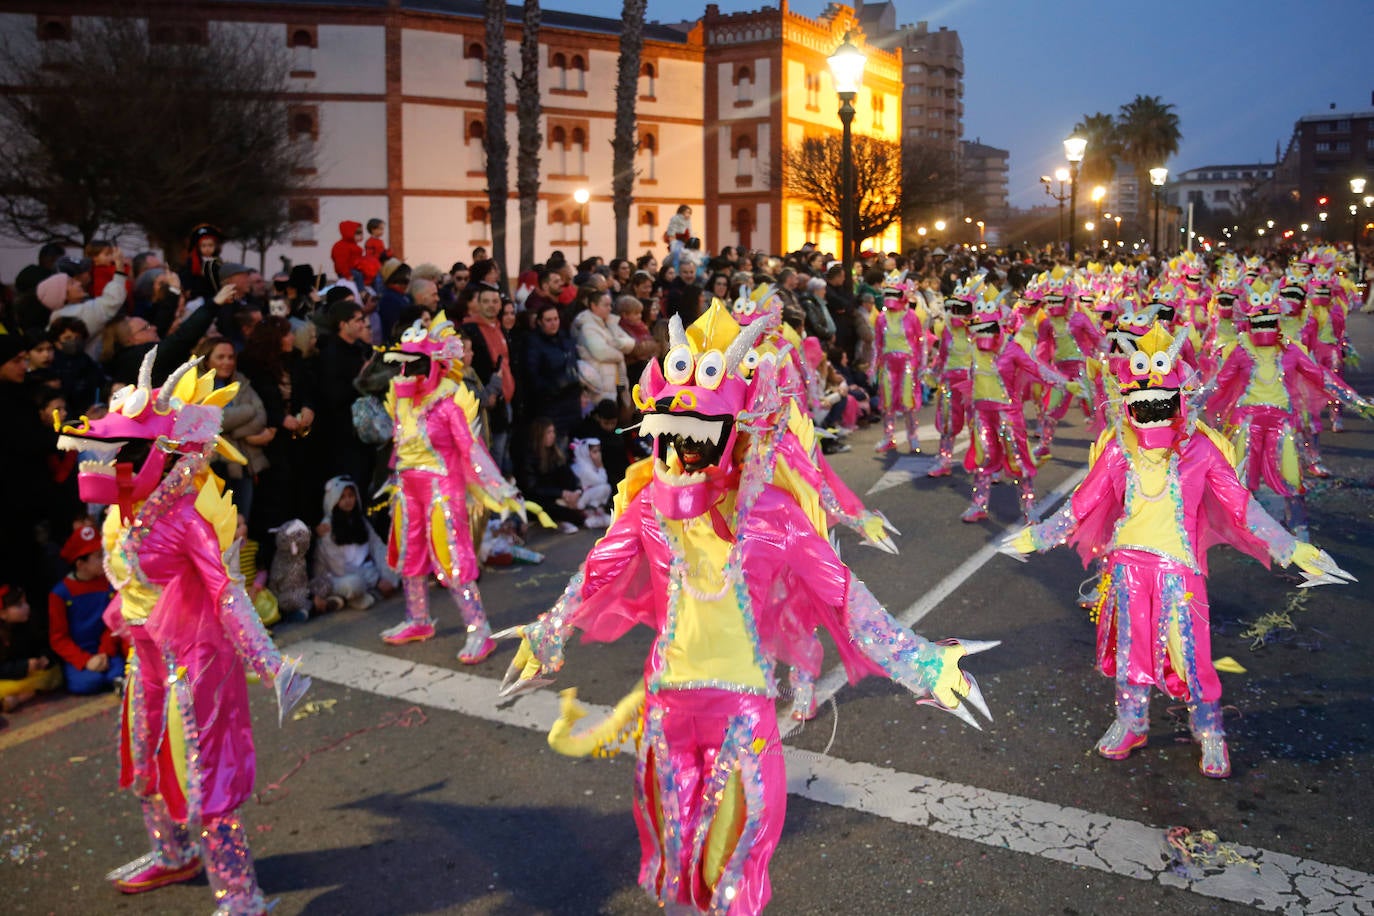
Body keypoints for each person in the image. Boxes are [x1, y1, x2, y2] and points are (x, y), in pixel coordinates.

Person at [499, 305, 993, 915]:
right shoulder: (649, 509)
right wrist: (548, 632)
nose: (678, 451)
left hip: (740, 716)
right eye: (669, 432)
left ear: (739, 430)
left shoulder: (773, 518)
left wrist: (925, 665)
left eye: (697, 432)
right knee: (677, 866)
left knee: (729, 870)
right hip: (666, 712)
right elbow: (595, 571)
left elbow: (849, 601)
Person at [1001, 320, 1356, 778]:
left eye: (1160, 397)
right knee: (1132, 651)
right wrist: (1038, 535)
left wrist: (1290, 547)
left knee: (1192, 653)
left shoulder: (1202, 450)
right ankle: (1132, 721)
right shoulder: (1117, 451)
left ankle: (1209, 729)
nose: (1149, 407)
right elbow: (1081, 504)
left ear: (1178, 399)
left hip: (1179, 570)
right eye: (1139, 397)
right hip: (1127, 567)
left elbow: (1243, 507)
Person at [57, 353, 309, 910]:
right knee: (146, 754)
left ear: (167, 453)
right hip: (143, 653)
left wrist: (272, 666)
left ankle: (240, 892)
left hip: (196, 662)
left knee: (205, 772)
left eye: (126, 448)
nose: (110, 458)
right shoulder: (123, 509)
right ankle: (173, 854)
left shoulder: (190, 516)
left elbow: (227, 592)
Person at [377, 313, 525, 663]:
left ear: (433, 366)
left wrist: (498, 487)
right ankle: (418, 619)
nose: (407, 372)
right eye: (404, 366)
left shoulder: (447, 407)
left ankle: (479, 631)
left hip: (442, 490)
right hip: (407, 489)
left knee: (453, 559)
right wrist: (393, 481)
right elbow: (399, 449)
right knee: (409, 554)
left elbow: (472, 449)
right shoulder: (402, 403)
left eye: (416, 365)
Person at [195, 338, 272, 515]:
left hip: (244, 466)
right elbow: (212, 420)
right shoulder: (196, 386)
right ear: (206, 360)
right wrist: (247, 412)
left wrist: (233, 431)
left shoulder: (241, 381)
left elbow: (261, 417)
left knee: (242, 525)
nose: (227, 362)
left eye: (231, 357)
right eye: (220, 357)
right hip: (213, 467)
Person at [47, 524, 122, 695]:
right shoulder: (60, 594)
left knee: (117, 673)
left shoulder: (110, 584)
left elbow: (114, 623)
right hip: (79, 654)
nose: (105, 559)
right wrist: (85, 660)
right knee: (87, 683)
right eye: (98, 556)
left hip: (105, 649)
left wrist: (104, 652)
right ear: (81, 564)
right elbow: (58, 638)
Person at [314, 476, 397, 610]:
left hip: (367, 573)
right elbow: (339, 568)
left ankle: (344, 600)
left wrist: (387, 576)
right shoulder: (327, 528)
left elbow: (379, 548)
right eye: (343, 497)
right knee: (354, 584)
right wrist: (375, 579)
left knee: (397, 565)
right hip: (340, 578)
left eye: (351, 495)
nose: (348, 500)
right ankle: (364, 595)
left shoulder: (360, 521)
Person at [522, 301, 583, 444]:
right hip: (551, 404)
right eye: (548, 320)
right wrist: (553, 388)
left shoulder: (565, 338)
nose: (553, 323)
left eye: (556, 319)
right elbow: (532, 375)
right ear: (539, 322)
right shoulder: (533, 343)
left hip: (571, 401)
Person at [517, 417, 587, 533]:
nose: (552, 435)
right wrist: (561, 493)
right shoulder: (529, 457)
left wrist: (577, 491)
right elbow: (532, 488)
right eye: (548, 432)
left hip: (559, 495)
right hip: (540, 499)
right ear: (540, 435)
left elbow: (569, 474)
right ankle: (562, 519)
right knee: (574, 516)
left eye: (553, 432)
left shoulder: (554, 453)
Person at [0, 585, 60, 712]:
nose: (26, 607)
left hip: (31, 674)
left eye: (26, 602)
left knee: (53, 674)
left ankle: (18, 698)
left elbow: (45, 644)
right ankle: (21, 696)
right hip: (8, 677)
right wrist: (24, 666)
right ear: (3, 614)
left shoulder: (30, 623)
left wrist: (45, 658)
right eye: (19, 605)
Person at [572, 286, 634, 408]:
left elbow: (631, 343)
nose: (609, 308)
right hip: (599, 382)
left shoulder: (610, 322)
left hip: (617, 380)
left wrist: (614, 343)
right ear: (593, 306)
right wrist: (620, 353)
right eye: (605, 305)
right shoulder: (587, 326)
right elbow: (601, 352)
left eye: (610, 305)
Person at [664, 204, 692, 271]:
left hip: (685, 242)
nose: (688, 214)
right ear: (681, 212)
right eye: (686, 212)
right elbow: (671, 231)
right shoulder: (675, 219)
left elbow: (690, 231)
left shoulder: (688, 221)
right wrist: (673, 243)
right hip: (677, 241)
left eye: (689, 213)